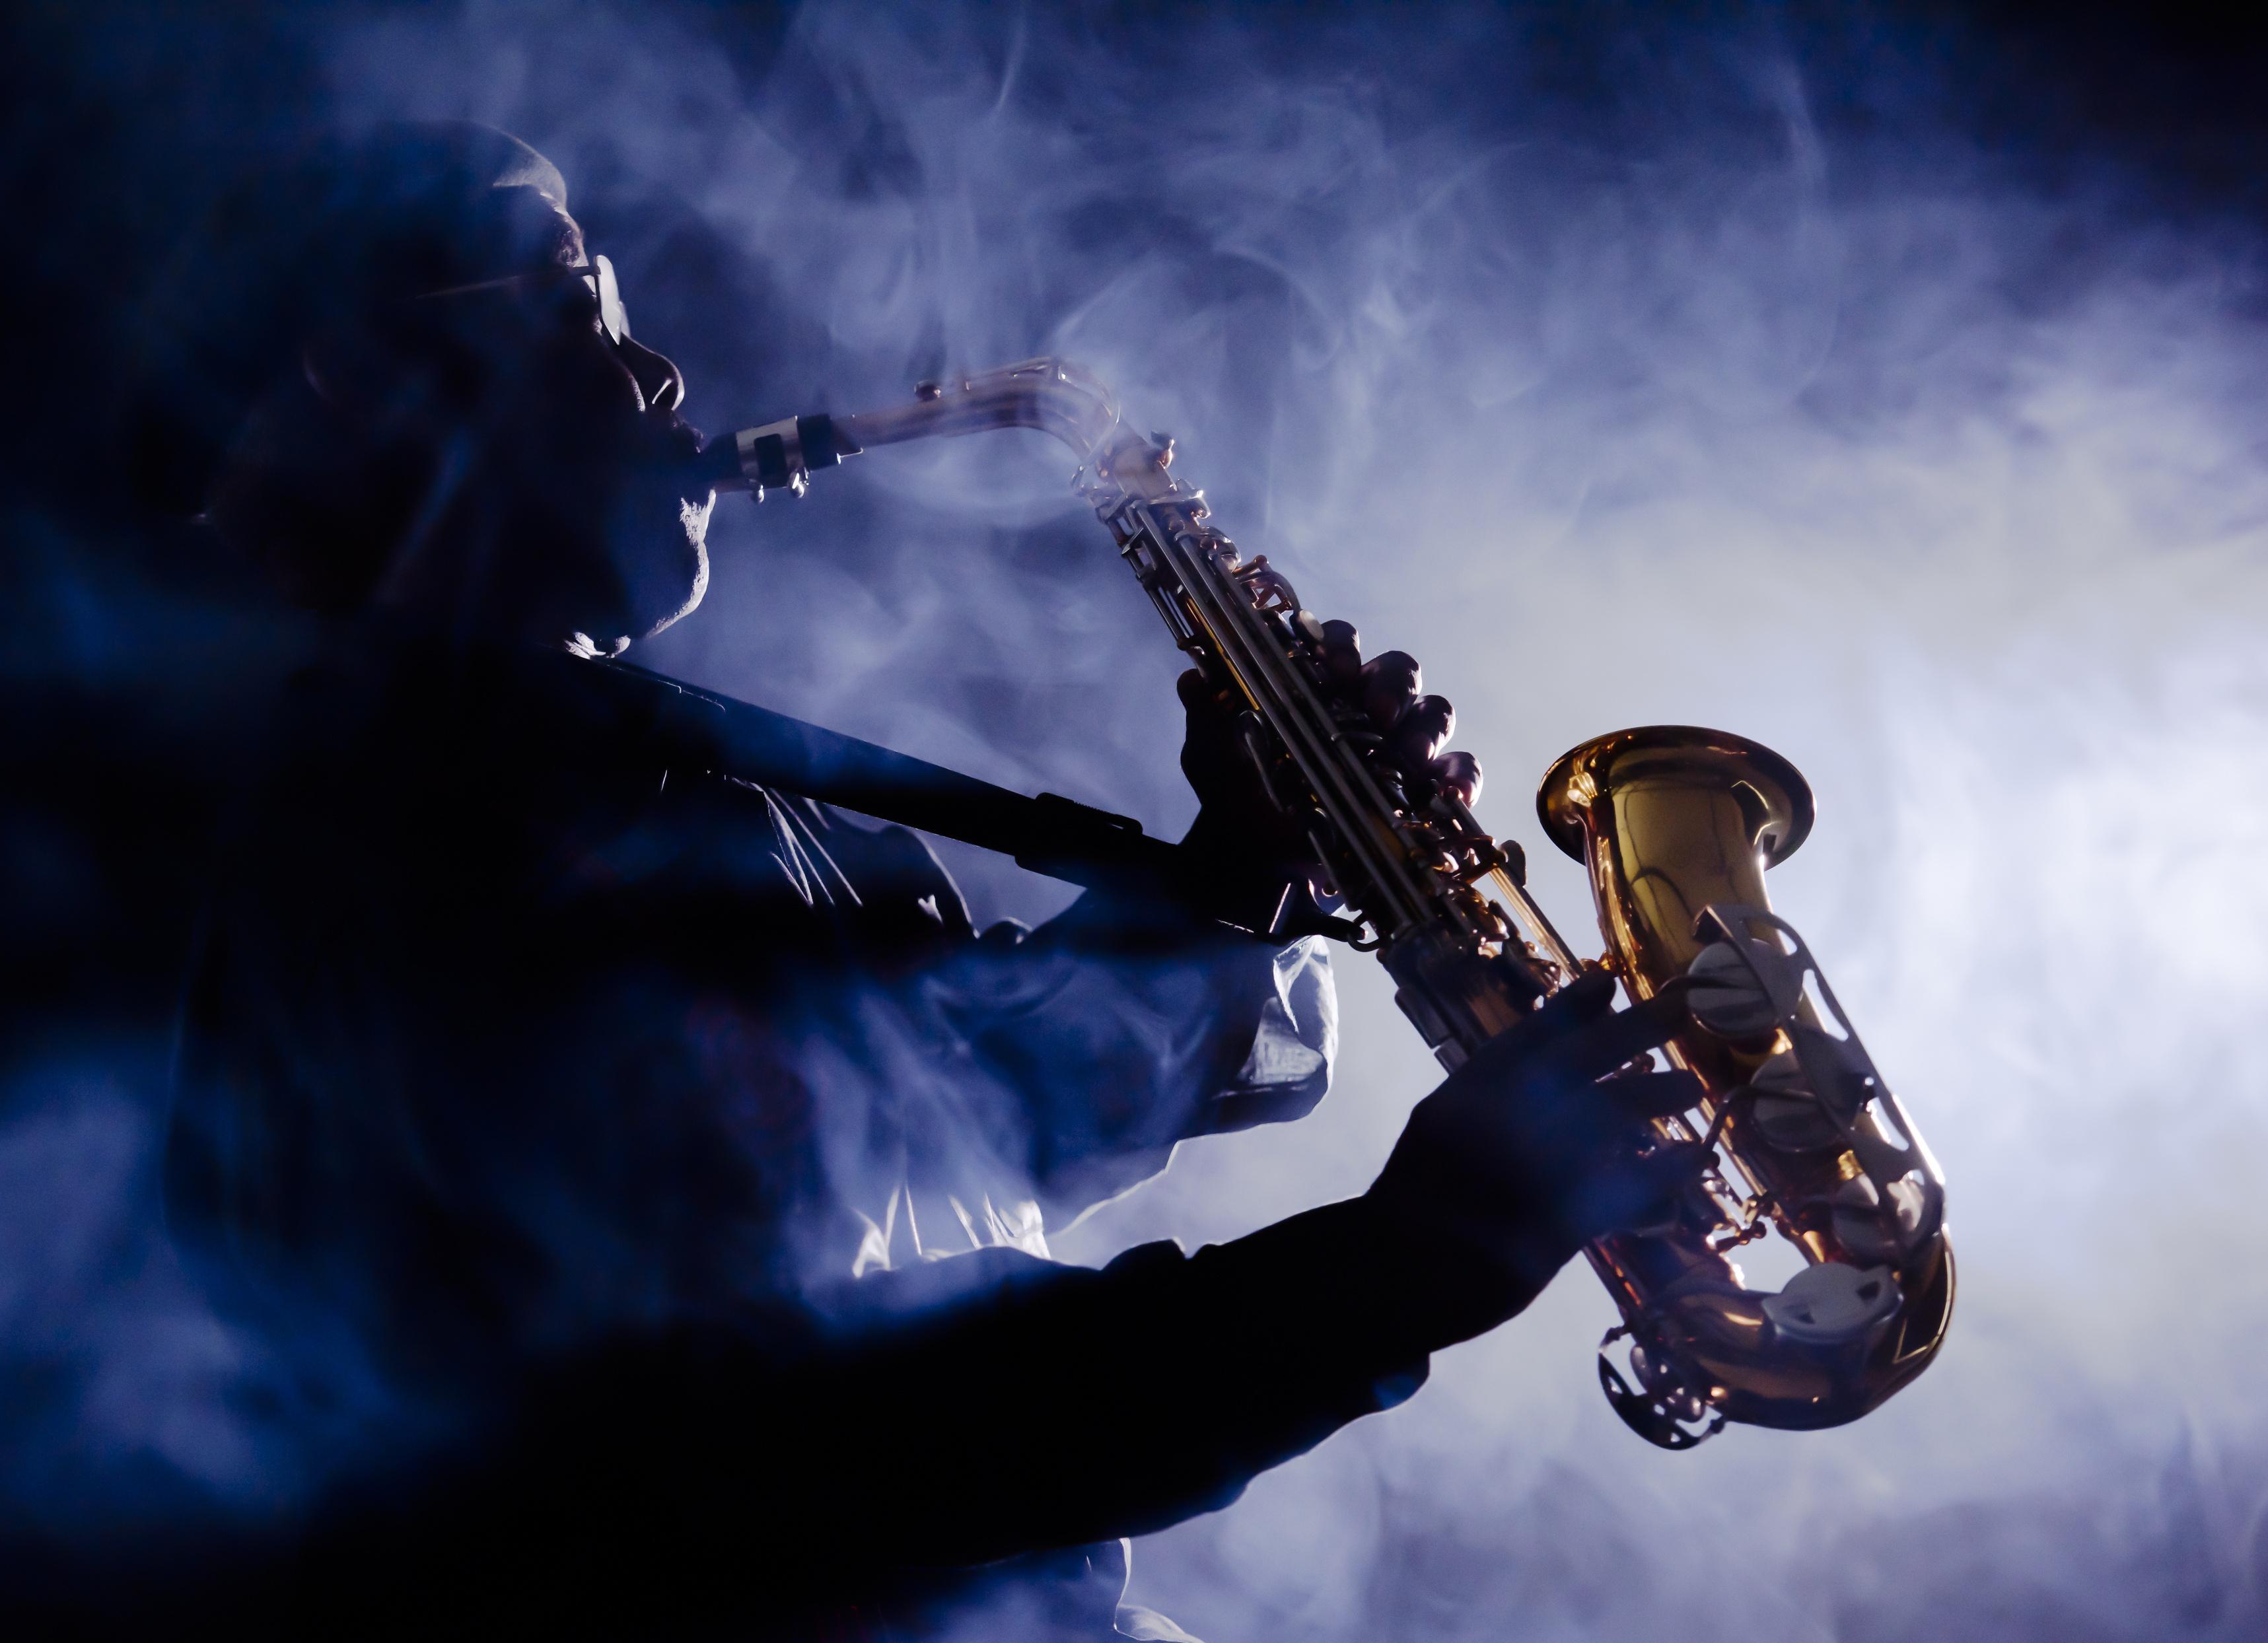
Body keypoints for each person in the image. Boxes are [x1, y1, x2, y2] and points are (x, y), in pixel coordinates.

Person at [137, 124, 1704, 1640]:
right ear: (386, 391)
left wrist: (1243, 860)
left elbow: (983, 1124)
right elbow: (791, 1444)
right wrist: (1405, 1260)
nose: (661, 371)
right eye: (571, 307)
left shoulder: (650, 784)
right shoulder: (419, 835)